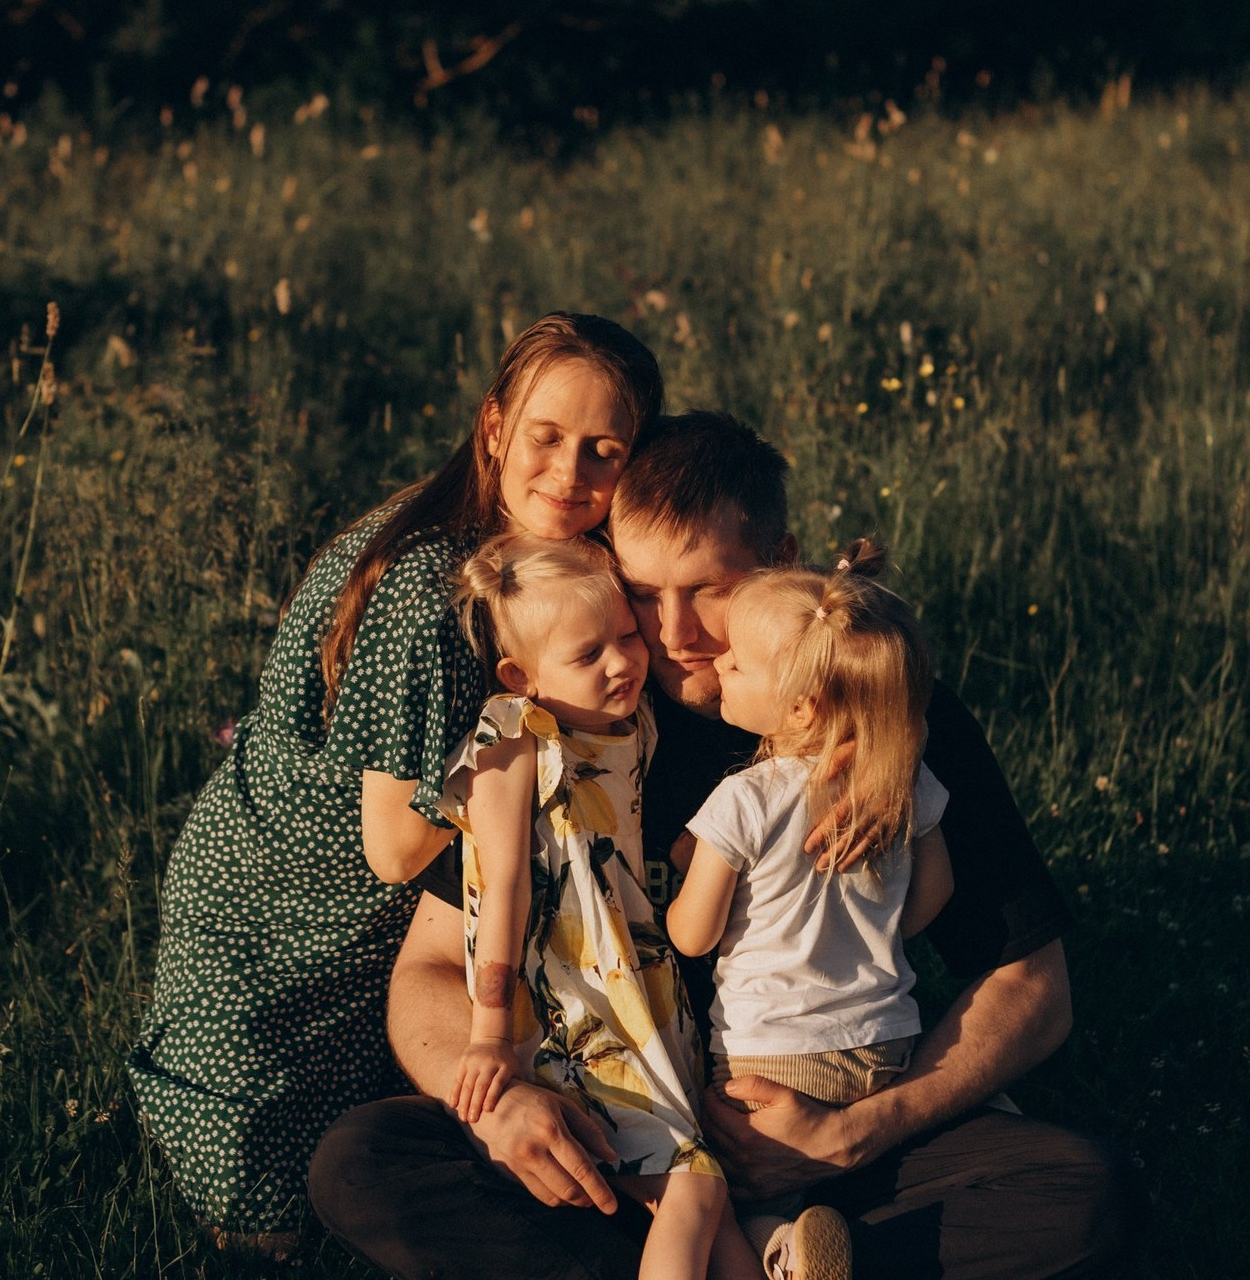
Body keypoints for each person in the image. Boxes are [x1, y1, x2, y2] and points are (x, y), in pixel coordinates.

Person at [309, 411, 1135, 1279]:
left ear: (781, 560)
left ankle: (775, 1251)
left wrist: (855, 1134)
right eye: (642, 594)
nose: (673, 634)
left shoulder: (880, 714)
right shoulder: (576, 711)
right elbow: (430, 969)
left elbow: (1033, 987)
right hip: (608, 1127)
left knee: (1085, 1191)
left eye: (708, 589)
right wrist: (501, 1103)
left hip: (824, 1125)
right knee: (365, 1162)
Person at [126, 311, 664, 1248]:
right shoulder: (433, 593)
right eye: (545, 437)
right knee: (273, 1211)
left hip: (387, 925)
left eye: (603, 452)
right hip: (289, 918)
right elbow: (393, 849)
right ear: (494, 428)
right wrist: (521, 756)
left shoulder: (529, 555)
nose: (569, 473)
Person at [439, 532, 761, 1280]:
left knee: (704, 1192)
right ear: (521, 675)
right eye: (589, 655)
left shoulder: (632, 723)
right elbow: (503, 883)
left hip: (638, 983)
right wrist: (489, 1032)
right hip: (567, 1003)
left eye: (625, 636)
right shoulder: (514, 734)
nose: (622, 662)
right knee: (694, 1183)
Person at [666, 543, 955, 1280]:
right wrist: (876, 931)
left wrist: (685, 885)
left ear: (800, 706)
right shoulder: (903, 779)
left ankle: (784, 1248)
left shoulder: (744, 797)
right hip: (884, 1043)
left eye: (735, 663)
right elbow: (934, 894)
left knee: (725, 1192)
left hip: (772, 1049)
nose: (718, 665)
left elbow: (693, 936)